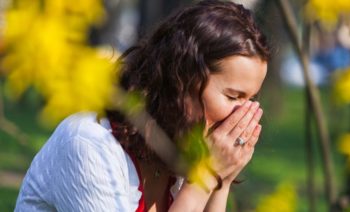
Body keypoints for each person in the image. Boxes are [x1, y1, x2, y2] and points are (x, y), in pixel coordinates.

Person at [15, 0, 270, 211]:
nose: (245, 114)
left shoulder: (181, 149)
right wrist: (204, 178)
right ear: (182, 81)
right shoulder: (89, 144)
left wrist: (220, 181)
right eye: (233, 97)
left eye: (251, 99)